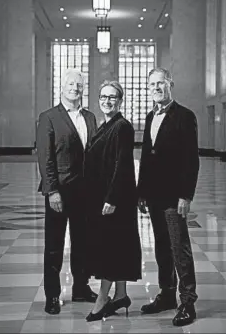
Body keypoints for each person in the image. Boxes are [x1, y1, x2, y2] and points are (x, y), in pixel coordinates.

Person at [137, 67, 199, 327]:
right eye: (152, 84)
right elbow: (146, 158)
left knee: (179, 248)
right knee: (162, 246)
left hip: (174, 197)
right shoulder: (151, 116)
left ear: (170, 83)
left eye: (161, 83)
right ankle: (166, 294)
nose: (156, 87)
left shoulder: (185, 116)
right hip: (153, 196)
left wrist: (185, 196)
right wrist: (140, 192)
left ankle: (188, 301)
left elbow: (190, 160)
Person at [36, 69, 98, 315]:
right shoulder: (49, 117)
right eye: (71, 83)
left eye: (80, 84)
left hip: (85, 193)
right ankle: (52, 295)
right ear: (62, 87)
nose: (75, 88)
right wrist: (52, 192)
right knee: (54, 245)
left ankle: (81, 288)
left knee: (82, 242)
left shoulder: (91, 117)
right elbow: (45, 158)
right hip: (60, 193)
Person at [84, 80, 142, 322]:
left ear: (120, 101)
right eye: (103, 97)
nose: (107, 101)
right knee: (118, 246)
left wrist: (112, 198)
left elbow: (123, 165)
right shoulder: (104, 125)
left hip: (115, 200)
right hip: (106, 197)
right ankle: (120, 294)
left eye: (112, 97)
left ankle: (102, 298)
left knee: (109, 247)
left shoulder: (122, 127)